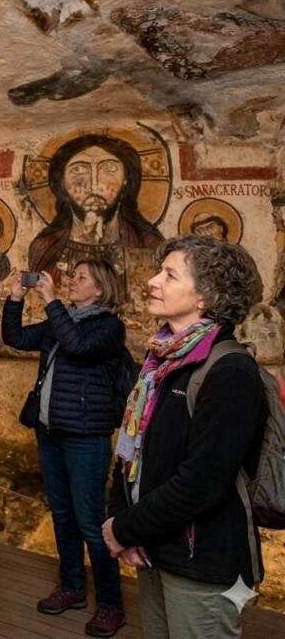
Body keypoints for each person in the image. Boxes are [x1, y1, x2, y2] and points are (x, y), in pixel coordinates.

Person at [103, 236, 268, 639]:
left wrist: (125, 529)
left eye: (169, 274)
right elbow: (132, 451)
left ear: (205, 297)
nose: (152, 282)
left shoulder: (230, 372)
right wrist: (123, 522)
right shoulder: (161, 362)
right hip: (156, 549)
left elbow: (202, 482)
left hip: (202, 561)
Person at [1, 259, 127, 637]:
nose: (72, 281)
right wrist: (14, 299)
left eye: (80, 278)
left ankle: (110, 604)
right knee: (61, 514)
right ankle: (72, 586)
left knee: (91, 522)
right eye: (72, 276)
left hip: (86, 437)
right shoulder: (62, 321)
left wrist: (52, 300)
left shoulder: (109, 327)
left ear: (100, 290)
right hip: (50, 433)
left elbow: (77, 345)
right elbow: (15, 339)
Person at [28, 134, 163, 273]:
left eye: (109, 168)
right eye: (78, 170)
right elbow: (34, 291)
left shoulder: (147, 244)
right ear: (61, 182)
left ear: (126, 179)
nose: (94, 185)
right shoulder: (46, 248)